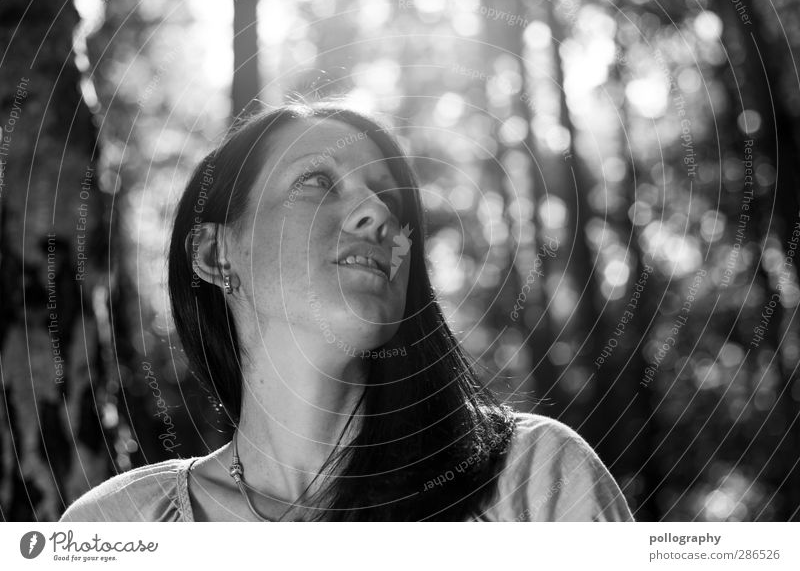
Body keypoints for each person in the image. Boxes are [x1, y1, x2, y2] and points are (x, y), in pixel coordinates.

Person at [59, 101, 634, 522]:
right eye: (315, 182)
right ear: (215, 253)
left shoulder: (532, 477)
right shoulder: (113, 526)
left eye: (387, 196)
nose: (376, 214)